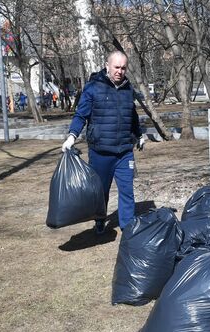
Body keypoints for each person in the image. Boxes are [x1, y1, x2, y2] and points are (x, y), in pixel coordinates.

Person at [61, 50, 145, 234]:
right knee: (101, 192)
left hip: (124, 151)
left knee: (127, 192)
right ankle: (100, 220)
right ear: (107, 66)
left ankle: (128, 228)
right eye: (116, 67)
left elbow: (132, 115)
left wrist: (139, 135)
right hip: (100, 151)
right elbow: (81, 115)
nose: (120, 71)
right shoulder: (93, 87)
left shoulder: (128, 89)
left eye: (123, 68)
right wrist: (72, 137)